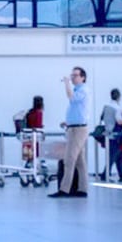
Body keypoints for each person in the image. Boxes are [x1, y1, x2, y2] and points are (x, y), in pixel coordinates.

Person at [50, 66, 91, 199]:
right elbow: (78, 110)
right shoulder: (78, 90)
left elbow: (71, 98)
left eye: (75, 75)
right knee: (80, 161)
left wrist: (67, 84)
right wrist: (68, 122)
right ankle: (82, 189)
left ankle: (64, 189)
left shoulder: (83, 90)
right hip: (74, 127)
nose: (72, 77)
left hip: (78, 130)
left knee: (69, 159)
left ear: (82, 77)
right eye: (71, 75)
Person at [99, 89, 122, 182]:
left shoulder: (106, 107)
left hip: (108, 133)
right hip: (116, 135)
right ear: (119, 97)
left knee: (118, 155)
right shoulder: (117, 108)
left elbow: (102, 118)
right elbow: (119, 121)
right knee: (114, 156)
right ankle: (105, 174)